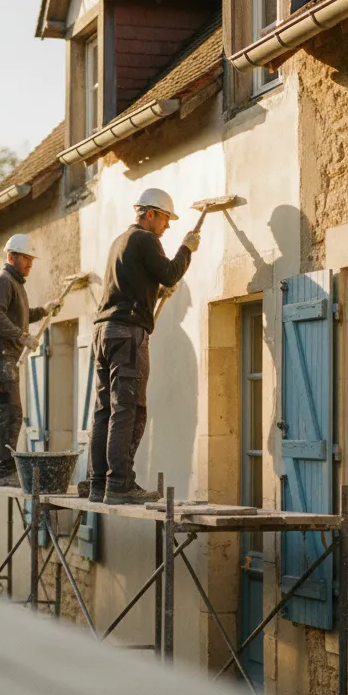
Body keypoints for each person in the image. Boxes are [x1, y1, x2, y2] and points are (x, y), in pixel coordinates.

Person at [88, 188, 200, 504]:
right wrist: (186, 250)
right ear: (150, 214)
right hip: (127, 335)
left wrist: (156, 292)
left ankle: (99, 484)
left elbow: (135, 282)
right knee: (128, 409)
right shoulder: (146, 240)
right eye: (165, 219)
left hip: (104, 333)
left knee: (105, 410)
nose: (167, 227)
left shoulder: (120, 242)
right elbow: (168, 271)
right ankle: (119, 485)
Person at [0, 234, 59, 486]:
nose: (29, 264)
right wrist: (21, 336)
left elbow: (16, 316)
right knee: (10, 411)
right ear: (11, 256)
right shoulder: (3, 281)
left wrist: (43, 310)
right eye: (25, 259)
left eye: (31, 260)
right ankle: (4, 472)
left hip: (0, 354)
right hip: (0, 355)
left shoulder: (14, 284)